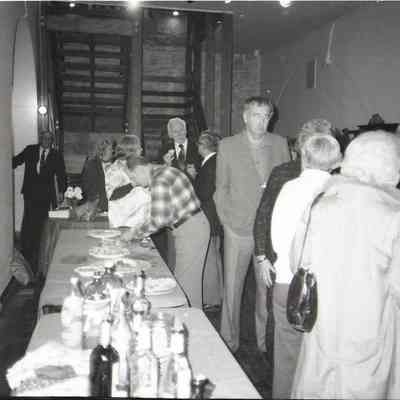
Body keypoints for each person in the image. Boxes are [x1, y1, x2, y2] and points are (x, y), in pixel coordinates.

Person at [290, 131, 400, 398]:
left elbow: (298, 264)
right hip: (371, 338)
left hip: (322, 328)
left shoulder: (320, 204)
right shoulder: (394, 216)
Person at [214, 96, 290, 353]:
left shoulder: (279, 143)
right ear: (245, 117)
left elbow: (287, 184)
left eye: (266, 116)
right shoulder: (227, 145)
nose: (262, 121)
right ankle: (229, 341)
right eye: (256, 115)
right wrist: (227, 221)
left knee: (266, 290)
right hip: (237, 228)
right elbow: (221, 189)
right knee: (232, 289)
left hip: (270, 230)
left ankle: (264, 343)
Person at [270, 133, 341, 399]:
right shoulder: (338, 191)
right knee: (318, 366)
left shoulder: (288, 188)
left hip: (286, 282)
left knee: (286, 359)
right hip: (324, 290)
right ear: (336, 161)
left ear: (303, 157)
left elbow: (276, 237)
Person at [120, 156, 210, 309]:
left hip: (190, 230)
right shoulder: (163, 172)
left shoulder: (159, 180)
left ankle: (190, 321)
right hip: (193, 226)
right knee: (188, 283)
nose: (134, 183)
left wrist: (133, 233)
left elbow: (158, 220)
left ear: (140, 169)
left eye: (133, 177)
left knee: (185, 288)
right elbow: (157, 212)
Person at [254, 118, 334, 287]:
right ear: (304, 147)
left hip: (318, 265)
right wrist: (261, 257)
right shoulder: (283, 173)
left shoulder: (334, 179)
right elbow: (263, 214)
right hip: (277, 259)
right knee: (268, 300)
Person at [13, 131, 66, 273]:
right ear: (40, 139)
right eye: (44, 138)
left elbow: (61, 174)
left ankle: (39, 248)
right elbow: (16, 161)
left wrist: (62, 192)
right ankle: (26, 250)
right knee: (28, 220)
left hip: (45, 195)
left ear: (52, 141)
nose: (46, 141)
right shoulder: (30, 150)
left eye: (49, 139)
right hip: (30, 192)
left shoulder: (56, 155)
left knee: (42, 221)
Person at [193, 131, 223, 309]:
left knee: (209, 258)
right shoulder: (216, 161)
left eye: (198, 144)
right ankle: (218, 295)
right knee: (215, 257)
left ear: (204, 146)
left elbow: (204, 193)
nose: (197, 147)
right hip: (215, 215)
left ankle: (211, 299)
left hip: (208, 216)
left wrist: (193, 178)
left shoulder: (209, 165)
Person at [81, 138, 115, 213]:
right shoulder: (91, 165)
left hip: (112, 206)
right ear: (102, 150)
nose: (113, 151)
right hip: (97, 207)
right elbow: (89, 189)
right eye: (110, 149)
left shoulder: (114, 165)